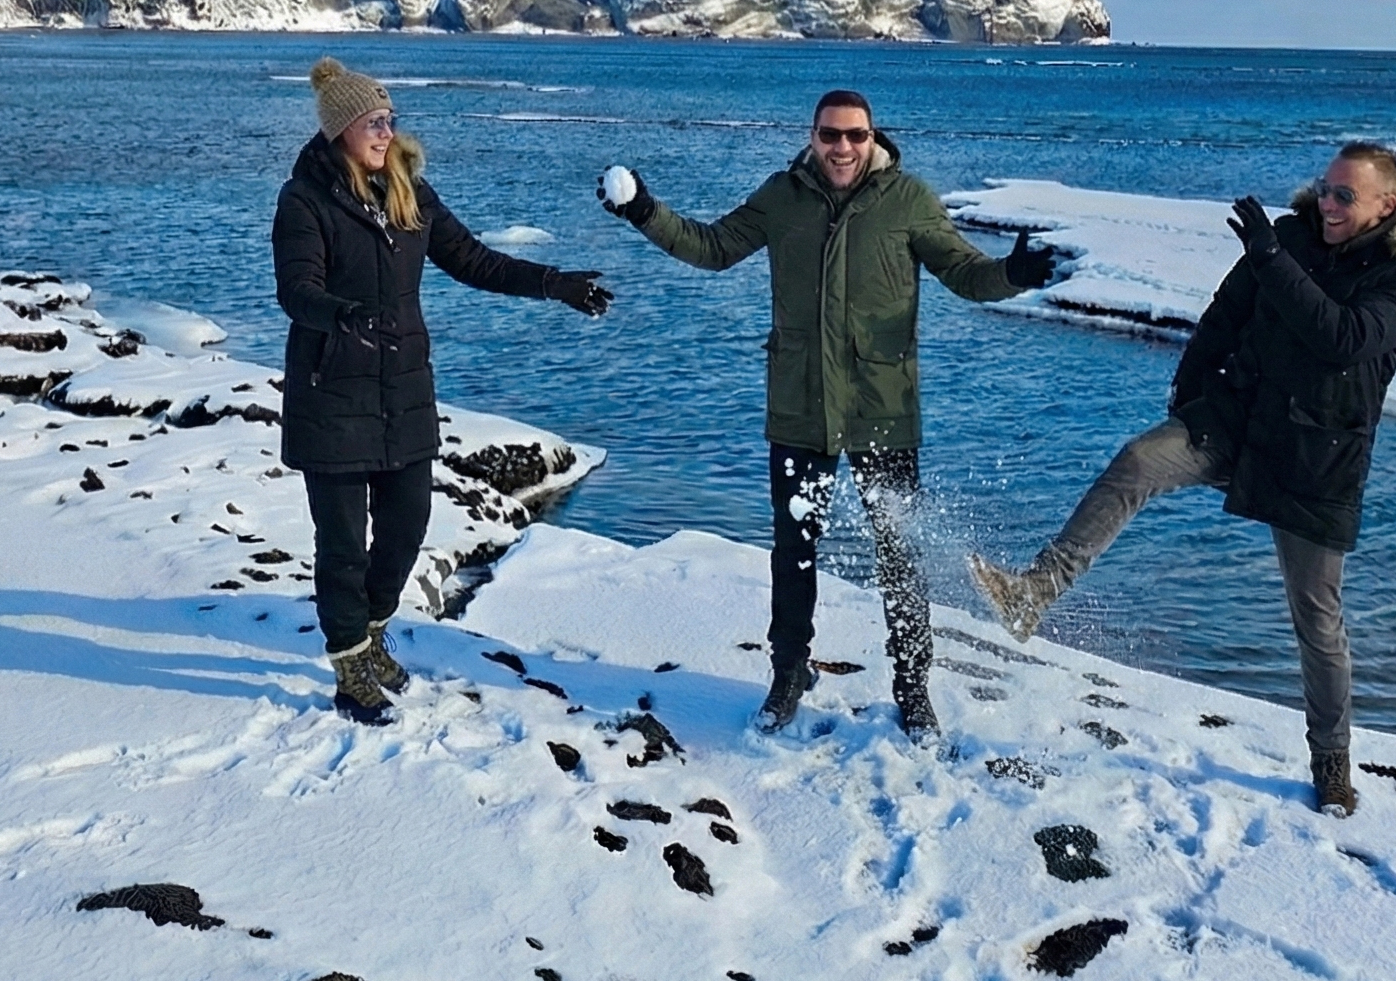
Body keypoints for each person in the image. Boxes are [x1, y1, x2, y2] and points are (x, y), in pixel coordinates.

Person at [968, 143, 1396, 816]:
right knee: (1137, 460)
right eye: (1324, 189)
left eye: (1344, 196)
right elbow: (1225, 315)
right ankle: (1033, 592)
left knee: (1317, 618)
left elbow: (1339, 339)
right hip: (1234, 420)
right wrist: (1190, 390)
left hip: (1316, 454)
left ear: (1385, 206)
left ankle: (1331, 763)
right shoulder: (1286, 237)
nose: (1328, 204)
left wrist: (1273, 261)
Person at [599, 90, 1058, 742]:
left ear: (873, 137)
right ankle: (788, 673)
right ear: (811, 137)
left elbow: (964, 273)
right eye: (828, 135)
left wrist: (1013, 271)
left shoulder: (907, 201)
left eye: (853, 135)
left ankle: (911, 685)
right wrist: (643, 210)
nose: (841, 147)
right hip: (800, 406)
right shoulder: (782, 196)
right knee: (793, 552)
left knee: (898, 553)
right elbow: (712, 247)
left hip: (881, 408)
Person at [274, 58, 614, 725]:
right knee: (342, 545)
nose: (385, 130)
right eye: (373, 121)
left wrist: (554, 283)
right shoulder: (304, 200)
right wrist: (340, 314)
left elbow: (474, 260)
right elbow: (296, 290)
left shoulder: (408, 194)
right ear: (340, 127)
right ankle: (350, 668)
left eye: (390, 119)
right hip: (332, 394)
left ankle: (371, 633)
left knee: (405, 530)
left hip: (402, 392)